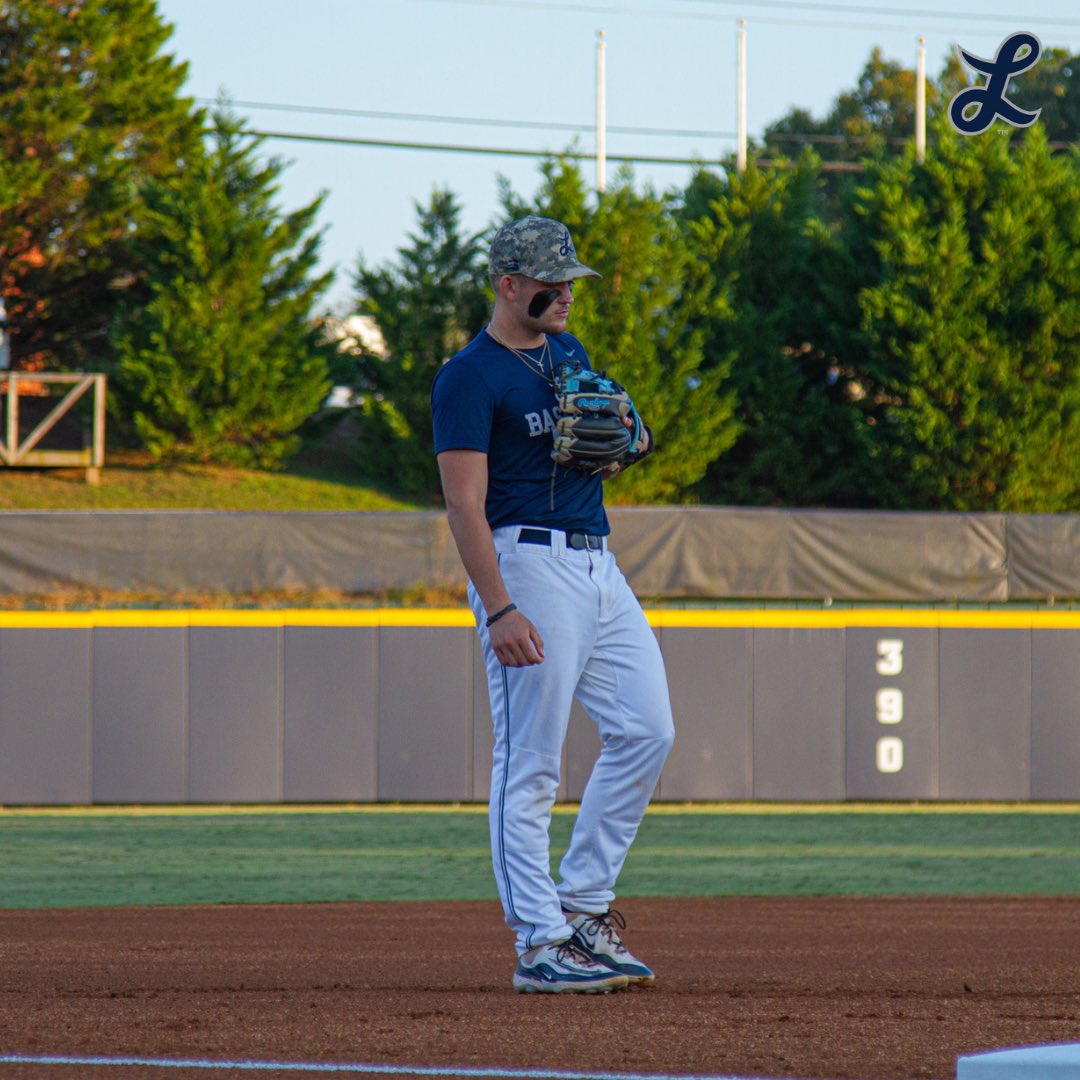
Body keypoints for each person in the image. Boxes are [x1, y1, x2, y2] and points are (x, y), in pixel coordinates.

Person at [430, 215, 675, 994]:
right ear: (509, 285)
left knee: (647, 730)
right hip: (525, 563)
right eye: (549, 281)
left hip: (598, 563)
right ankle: (540, 941)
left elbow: (599, 446)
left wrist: (628, 438)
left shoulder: (567, 352)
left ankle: (584, 908)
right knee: (531, 761)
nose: (566, 292)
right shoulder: (469, 376)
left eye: (569, 279)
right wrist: (499, 607)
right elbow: (464, 504)